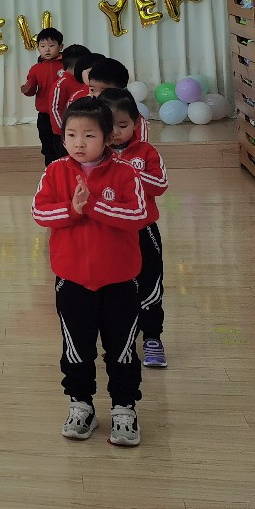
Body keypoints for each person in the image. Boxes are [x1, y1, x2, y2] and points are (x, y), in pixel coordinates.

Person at [33, 96, 150, 446]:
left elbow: (138, 215)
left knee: (122, 348)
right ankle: (80, 404)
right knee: (76, 347)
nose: (79, 143)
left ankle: (124, 408)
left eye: (89, 135)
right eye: (71, 135)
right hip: (72, 282)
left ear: (108, 137)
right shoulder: (55, 171)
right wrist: (73, 209)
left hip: (120, 281)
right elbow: (40, 212)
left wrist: (93, 205)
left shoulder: (126, 172)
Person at [100, 88, 169, 369]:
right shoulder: (95, 156)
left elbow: (160, 185)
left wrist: (128, 172)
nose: (116, 132)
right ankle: (118, 341)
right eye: (110, 126)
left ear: (136, 123)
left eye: (123, 125)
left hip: (143, 230)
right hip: (110, 235)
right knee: (115, 290)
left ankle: (152, 337)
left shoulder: (146, 152)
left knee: (150, 284)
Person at [21, 27, 66, 166]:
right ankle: (50, 170)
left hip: (64, 113)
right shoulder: (36, 69)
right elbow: (31, 90)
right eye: (43, 46)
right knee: (47, 145)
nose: (47, 49)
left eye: (51, 46)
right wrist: (27, 89)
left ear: (60, 47)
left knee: (63, 144)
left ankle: (64, 169)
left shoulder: (66, 65)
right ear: (38, 48)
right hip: (45, 115)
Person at [88, 58, 150, 142]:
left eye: (104, 91)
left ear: (121, 90)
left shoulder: (133, 118)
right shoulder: (87, 113)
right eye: (92, 90)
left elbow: (142, 146)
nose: (96, 95)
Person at [46, 44, 89, 152]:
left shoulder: (85, 82)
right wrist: (64, 132)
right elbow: (55, 109)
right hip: (64, 135)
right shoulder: (61, 84)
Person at [51, 51, 100, 139]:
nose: (95, 76)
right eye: (90, 72)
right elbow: (56, 109)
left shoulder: (110, 95)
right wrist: (63, 133)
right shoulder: (76, 96)